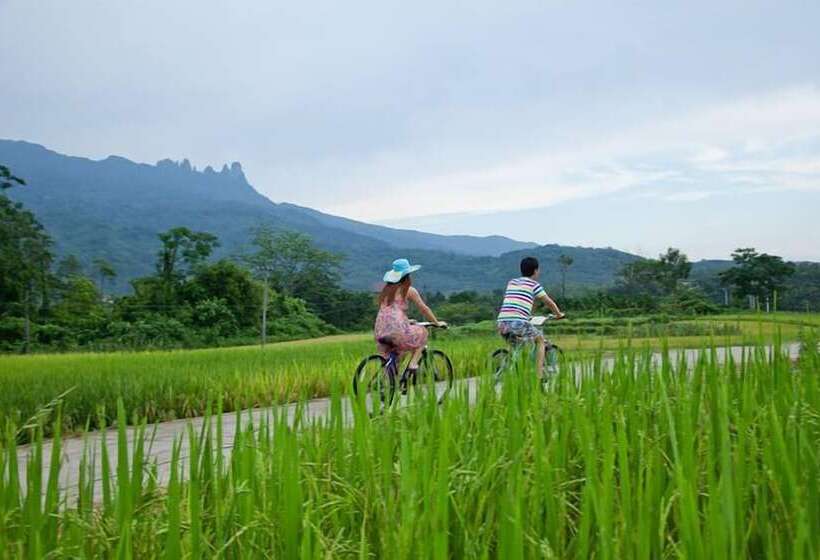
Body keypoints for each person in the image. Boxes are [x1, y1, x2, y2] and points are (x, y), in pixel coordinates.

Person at [374, 258, 445, 380]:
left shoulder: (385, 291)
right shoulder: (409, 290)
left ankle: (387, 383)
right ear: (407, 275)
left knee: (398, 353)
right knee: (422, 332)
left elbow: (389, 314)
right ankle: (413, 364)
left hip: (381, 330)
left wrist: (406, 322)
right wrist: (437, 323)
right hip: (397, 330)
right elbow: (424, 309)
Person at [497, 256, 565, 376]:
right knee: (540, 341)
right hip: (518, 322)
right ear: (535, 271)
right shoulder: (534, 285)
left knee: (517, 346)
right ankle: (538, 376)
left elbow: (519, 301)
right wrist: (558, 314)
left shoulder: (512, 282)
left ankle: (511, 370)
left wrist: (527, 315)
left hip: (502, 323)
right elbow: (549, 302)